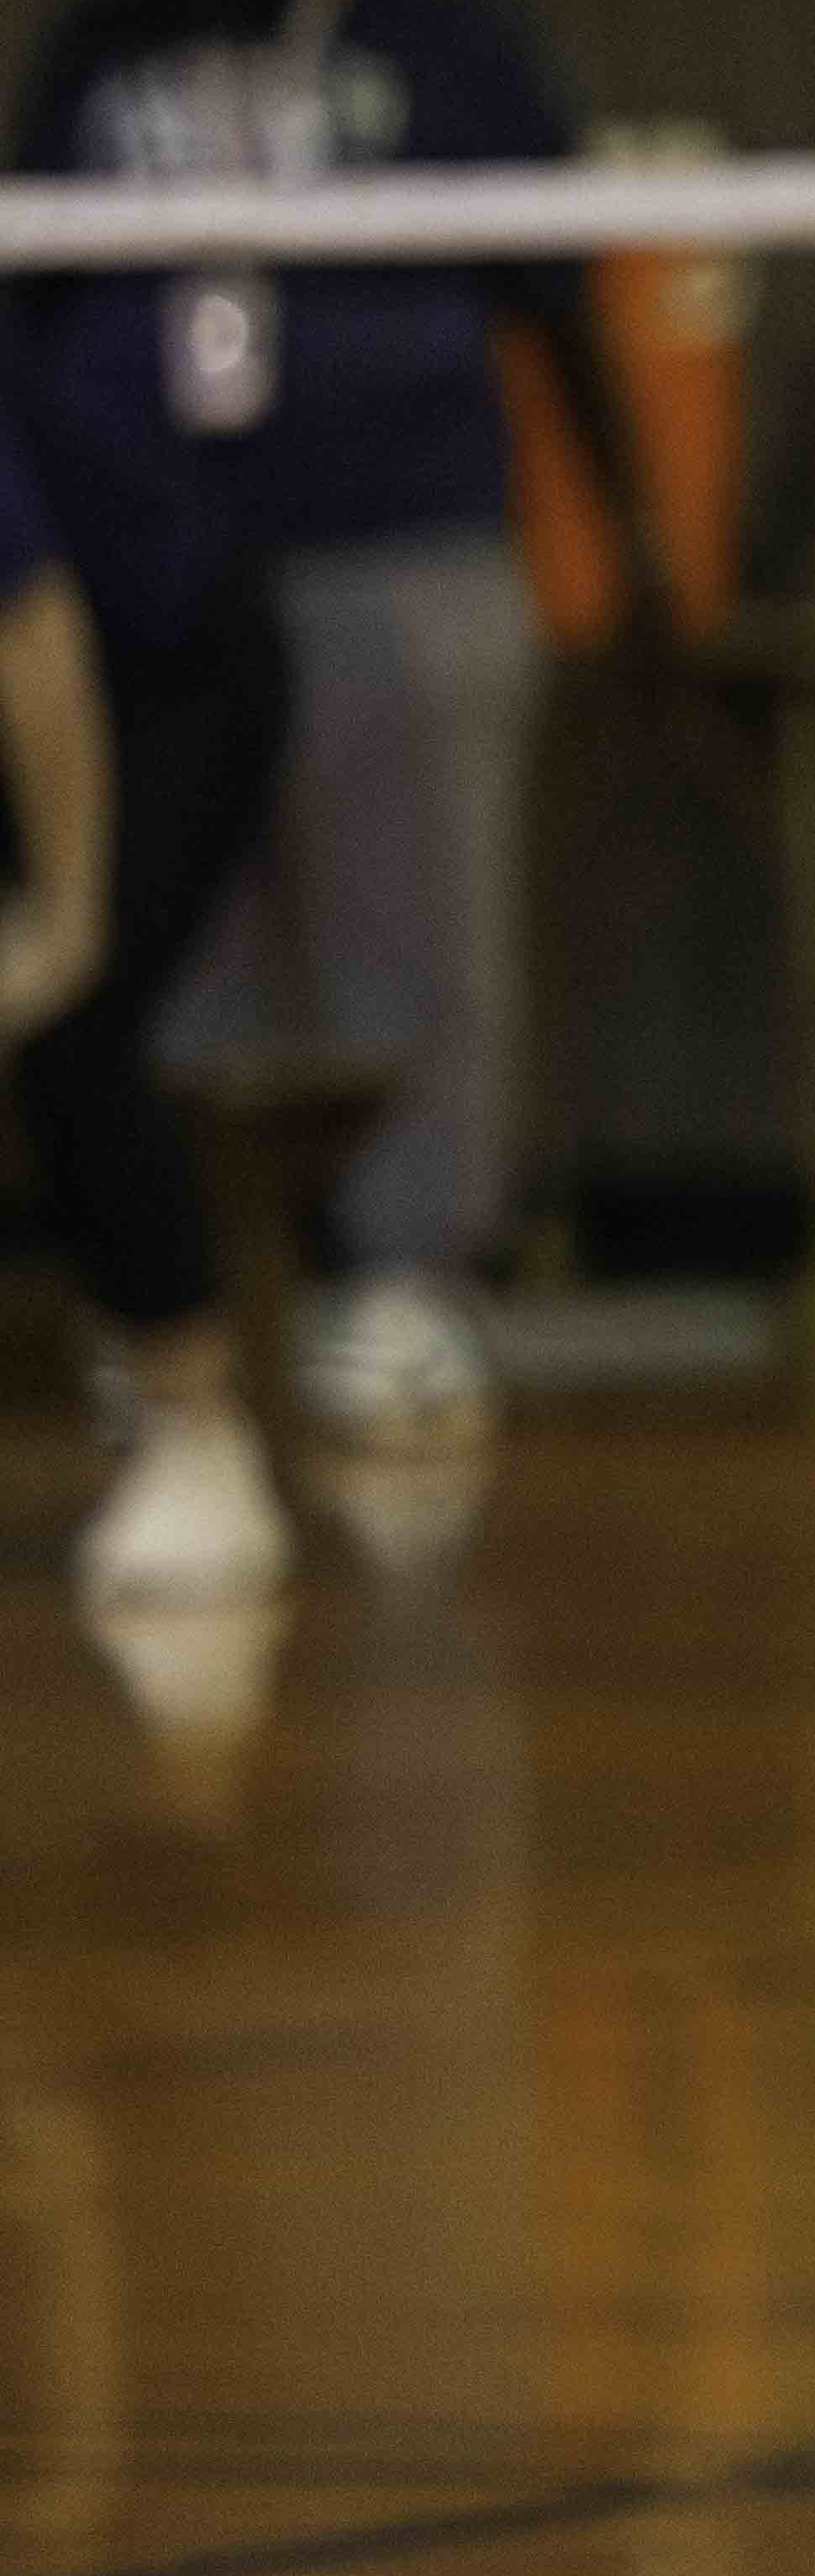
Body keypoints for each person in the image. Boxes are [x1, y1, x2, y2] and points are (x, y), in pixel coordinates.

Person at [16, 0, 663, 1467]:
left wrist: (641, 553)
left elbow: (564, 311)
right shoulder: (109, 46)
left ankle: (410, 1278)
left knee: (419, 925)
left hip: (411, 549)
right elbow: (39, 311)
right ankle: (183, 1291)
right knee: (180, 942)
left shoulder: (448, 39)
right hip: (169, 582)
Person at [3, 271, 291, 1612]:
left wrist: (65, 910)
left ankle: (198, 1438)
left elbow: (30, 629)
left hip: (167, 667)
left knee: (70, 1024)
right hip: (60, 663)